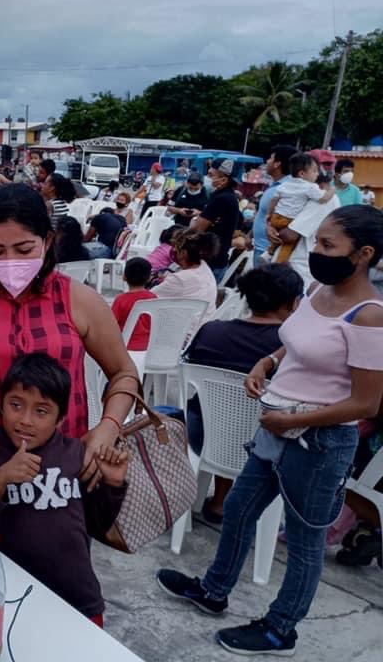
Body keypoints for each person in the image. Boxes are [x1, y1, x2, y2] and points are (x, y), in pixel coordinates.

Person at [158, 205, 383, 657]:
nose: (314, 251)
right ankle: (215, 590)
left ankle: (281, 629)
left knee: (304, 540)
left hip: (318, 440)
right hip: (277, 425)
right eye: (315, 241)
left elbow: (366, 402)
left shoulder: (369, 315)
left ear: (364, 254)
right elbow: (295, 341)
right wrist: (267, 362)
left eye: (326, 245)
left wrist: (293, 420)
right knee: (239, 509)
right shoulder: (320, 290)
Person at [0, 184, 139, 482]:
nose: (10, 262)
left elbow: (124, 372)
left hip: (66, 469)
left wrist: (109, 426)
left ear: (47, 241)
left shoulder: (80, 300)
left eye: (24, 249)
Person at [0, 353, 128, 627]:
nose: (26, 420)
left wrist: (112, 484)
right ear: (1, 406)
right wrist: (0, 481)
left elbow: (98, 524)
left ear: (61, 418)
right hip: (11, 599)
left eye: (41, 411)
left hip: (77, 596)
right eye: (16, 405)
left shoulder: (74, 453)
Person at [182, 263, 303, 521]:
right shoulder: (293, 349)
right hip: (261, 445)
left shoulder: (210, 331)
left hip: (201, 437)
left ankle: (220, 499)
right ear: (293, 303)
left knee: (223, 412)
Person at [269, 173, 342, 288]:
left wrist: (274, 229)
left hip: (298, 268)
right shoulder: (330, 199)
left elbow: (289, 235)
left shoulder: (320, 200)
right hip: (305, 268)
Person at [264, 152, 335, 263]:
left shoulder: (287, 185)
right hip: (302, 261)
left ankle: (274, 258)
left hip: (300, 263)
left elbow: (288, 235)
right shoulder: (315, 192)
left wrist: (271, 222)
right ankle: (276, 259)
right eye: (315, 170)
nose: (317, 173)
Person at [151, 228, 219, 328]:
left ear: (184, 253)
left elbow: (148, 298)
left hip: (184, 334)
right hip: (204, 327)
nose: (174, 252)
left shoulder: (181, 279)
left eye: (177, 250)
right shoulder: (205, 267)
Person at [192, 158, 241, 282]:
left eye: (211, 175)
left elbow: (199, 228)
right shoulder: (228, 197)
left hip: (211, 261)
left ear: (224, 180)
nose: (207, 178)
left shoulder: (222, 198)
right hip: (217, 258)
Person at [253, 145, 297, 266]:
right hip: (260, 246)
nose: (267, 161)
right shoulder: (275, 185)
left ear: (277, 164)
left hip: (269, 252)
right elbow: (263, 214)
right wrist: (250, 235)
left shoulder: (288, 189)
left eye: (270, 158)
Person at [111, 257, 157, 351]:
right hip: (149, 346)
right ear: (149, 278)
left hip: (125, 346)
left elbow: (111, 324)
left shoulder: (121, 300)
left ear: (124, 277)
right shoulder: (153, 298)